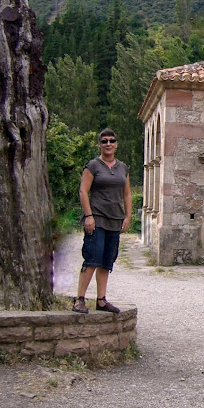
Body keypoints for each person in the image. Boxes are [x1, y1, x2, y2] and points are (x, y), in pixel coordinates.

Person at [72, 128, 132, 314]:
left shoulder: (123, 168)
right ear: (99, 144)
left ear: (116, 144)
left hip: (115, 219)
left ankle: (101, 300)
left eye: (111, 141)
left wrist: (128, 216)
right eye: (104, 141)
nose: (108, 144)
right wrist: (89, 216)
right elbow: (83, 191)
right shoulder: (93, 166)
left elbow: (127, 193)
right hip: (97, 218)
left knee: (107, 261)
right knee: (92, 258)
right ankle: (80, 299)